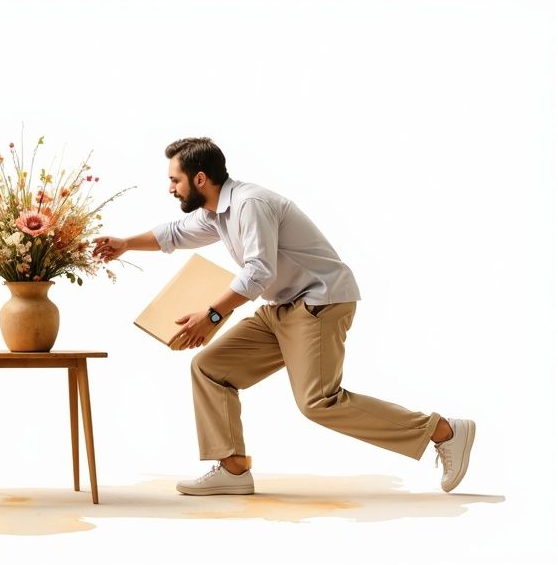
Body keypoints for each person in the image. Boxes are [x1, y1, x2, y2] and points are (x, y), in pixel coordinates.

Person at [92, 137, 475, 495]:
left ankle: (443, 431)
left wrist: (211, 316)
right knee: (210, 368)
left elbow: (259, 272)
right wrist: (125, 244)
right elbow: (175, 233)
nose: (170, 188)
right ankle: (233, 469)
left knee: (318, 402)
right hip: (283, 308)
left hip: (319, 303)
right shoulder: (217, 213)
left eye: (175, 180)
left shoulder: (250, 204)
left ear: (200, 179)